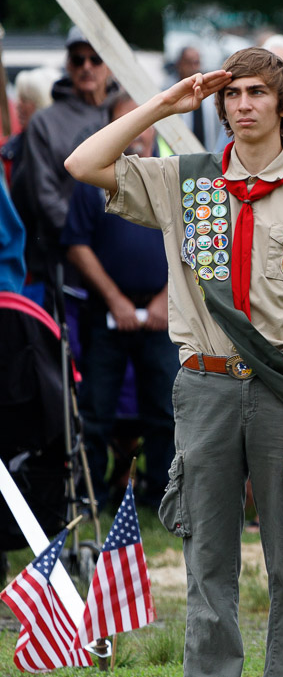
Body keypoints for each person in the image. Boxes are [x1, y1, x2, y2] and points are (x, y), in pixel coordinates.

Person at [64, 47, 283, 677]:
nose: (243, 104)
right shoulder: (187, 180)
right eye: (232, 94)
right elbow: (82, 163)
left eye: (257, 92)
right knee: (207, 563)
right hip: (205, 383)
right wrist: (167, 104)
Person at [61, 92, 177, 509]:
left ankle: (161, 496)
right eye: (125, 121)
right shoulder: (93, 181)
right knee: (95, 414)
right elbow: (76, 244)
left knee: (166, 413)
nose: (137, 130)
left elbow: (192, 241)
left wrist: (168, 296)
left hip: (165, 313)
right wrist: (115, 300)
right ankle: (89, 499)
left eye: (143, 120)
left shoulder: (172, 176)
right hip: (106, 315)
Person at [12, 27, 118, 308]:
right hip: (67, 264)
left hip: (124, 261)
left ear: (109, 64)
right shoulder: (44, 123)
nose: (86, 67)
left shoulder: (126, 113)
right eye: (78, 59)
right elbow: (45, 196)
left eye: (95, 59)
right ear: (68, 64)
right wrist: (84, 245)